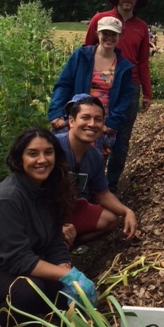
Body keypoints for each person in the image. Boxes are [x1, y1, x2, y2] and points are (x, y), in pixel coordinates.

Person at [0, 128, 96, 327]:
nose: (42, 160)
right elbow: (18, 260)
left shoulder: (50, 189)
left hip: (23, 269)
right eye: (33, 153)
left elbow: (55, 242)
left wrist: (66, 268)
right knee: (30, 290)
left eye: (48, 152)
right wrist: (65, 275)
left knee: (71, 294)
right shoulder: (8, 198)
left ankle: (34, 323)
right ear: (19, 158)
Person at [85, 0, 151, 194]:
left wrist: (147, 93)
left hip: (129, 88)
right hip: (100, 86)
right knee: (93, 135)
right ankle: (91, 183)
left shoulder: (141, 27)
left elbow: (143, 62)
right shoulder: (100, 20)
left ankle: (110, 186)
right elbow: (87, 51)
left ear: (136, 1)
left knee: (121, 140)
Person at [57, 95, 137, 246]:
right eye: (85, 117)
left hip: (72, 208)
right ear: (71, 121)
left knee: (111, 220)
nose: (92, 124)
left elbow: (103, 194)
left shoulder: (95, 156)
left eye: (98, 119)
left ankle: (71, 244)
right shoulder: (53, 148)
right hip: (44, 210)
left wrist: (127, 211)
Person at [49, 16, 134, 156]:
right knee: (67, 157)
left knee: (94, 161)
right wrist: (55, 113)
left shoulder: (123, 67)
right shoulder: (82, 56)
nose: (109, 38)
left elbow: (125, 99)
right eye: (105, 33)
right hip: (78, 117)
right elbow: (63, 85)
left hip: (102, 123)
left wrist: (113, 122)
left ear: (120, 36)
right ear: (97, 33)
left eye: (113, 34)